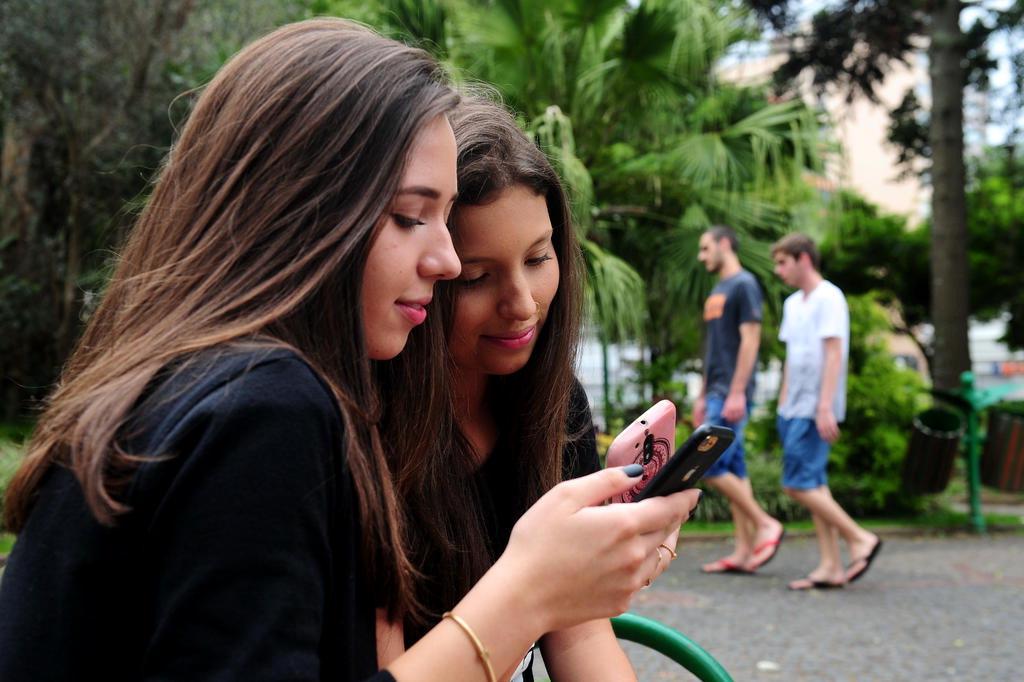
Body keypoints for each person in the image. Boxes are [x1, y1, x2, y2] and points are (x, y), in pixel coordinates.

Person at [0, 20, 698, 682]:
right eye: (409, 217)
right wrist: (530, 589)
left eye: (539, 257)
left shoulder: (206, 383)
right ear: (302, 212)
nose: (448, 260)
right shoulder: (264, 406)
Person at [374, 97, 687, 681]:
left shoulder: (554, 402)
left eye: (539, 258)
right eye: (476, 278)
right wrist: (534, 589)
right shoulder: (364, 431)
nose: (521, 305)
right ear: (427, 269)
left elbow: (580, 640)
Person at [771, 233, 882, 590]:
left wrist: (824, 407)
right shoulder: (793, 304)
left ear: (804, 259)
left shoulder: (829, 297)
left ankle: (860, 538)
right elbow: (793, 357)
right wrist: (783, 402)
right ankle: (831, 566)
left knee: (796, 485)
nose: (778, 270)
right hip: (793, 407)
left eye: (783, 262)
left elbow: (834, 353)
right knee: (815, 483)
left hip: (815, 408)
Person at [694, 226, 785, 574]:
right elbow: (712, 348)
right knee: (734, 469)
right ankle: (744, 553)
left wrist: (736, 391)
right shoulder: (718, 290)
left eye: (705, 248)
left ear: (725, 244)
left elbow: (751, 340)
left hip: (730, 391)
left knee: (709, 464)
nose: (702, 257)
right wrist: (702, 393)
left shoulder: (745, 285)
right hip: (715, 389)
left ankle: (766, 524)